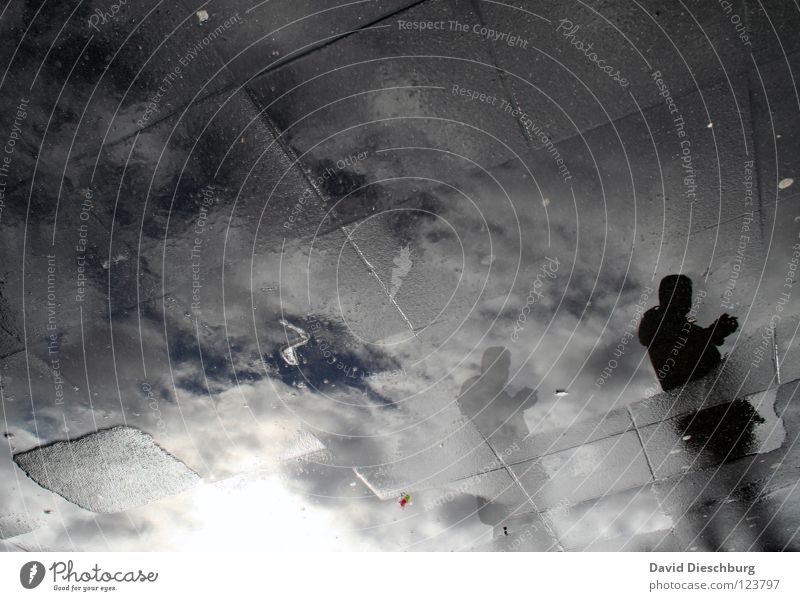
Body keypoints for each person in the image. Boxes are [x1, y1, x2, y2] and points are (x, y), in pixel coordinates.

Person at [638, 275, 738, 391]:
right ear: (665, 296)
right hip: (699, 397)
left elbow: (700, 340)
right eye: (680, 292)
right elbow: (680, 351)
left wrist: (715, 330)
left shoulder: (683, 324)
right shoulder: (655, 323)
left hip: (716, 391)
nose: (686, 298)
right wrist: (713, 332)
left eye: (688, 293)